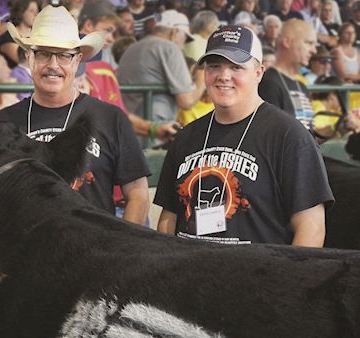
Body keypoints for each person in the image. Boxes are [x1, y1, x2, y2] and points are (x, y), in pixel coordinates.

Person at [155, 25, 333, 246]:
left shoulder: (289, 136)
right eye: (214, 66)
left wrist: (287, 280)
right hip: (189, 273)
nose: (223, 76)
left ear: (258, 73)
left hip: (258, 276)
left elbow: (312, 227)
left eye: (236, 67)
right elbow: (168, 217)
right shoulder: (187, 136)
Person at [0, 5, 151, 224]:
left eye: (64, 55)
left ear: (77, 60)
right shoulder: (2, 123)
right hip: (23, 254)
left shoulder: (110, 118)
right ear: (29, 57)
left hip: (94, 254)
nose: (53, 65)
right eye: (43, 54)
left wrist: (123, 251)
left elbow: (138, 194)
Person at [117, 9, 206, 144]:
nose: (183, 44)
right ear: (174, 32)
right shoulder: (170, 47)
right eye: (185, 38)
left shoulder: (133, 46)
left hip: (129, 125)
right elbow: (187, 101)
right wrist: (201, 76)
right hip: (155, 128)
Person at [259, 18, 316, 131]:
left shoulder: (301, 85)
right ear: (287, 42)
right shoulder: (268, 82)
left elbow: (309, 137)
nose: (314, 50)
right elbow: (271, 135)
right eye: (309, 43)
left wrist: (333, 130)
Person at [0, 0, 39, 69]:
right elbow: (25, 62)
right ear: (21, 12)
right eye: (31, 11)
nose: (36, 14)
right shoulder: (8, 37)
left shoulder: (38, 36)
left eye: (37, 11)